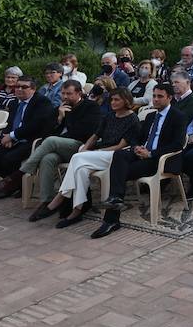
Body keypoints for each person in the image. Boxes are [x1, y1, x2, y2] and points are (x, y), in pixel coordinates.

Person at [90, 83, 189, 238]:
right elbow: (137, 137)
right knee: (119, 155)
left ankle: (111, 219)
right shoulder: (150, 116)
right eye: (154, 96)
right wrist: (136, 147)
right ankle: (115, 202)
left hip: (159, 160)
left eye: (160, 96)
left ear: (169, 98)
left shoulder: (178, 116)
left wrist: (151, 153)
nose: (155, 99)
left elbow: (177, 144)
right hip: (142, 155)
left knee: (118, 172)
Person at [33, 88, 140, 225]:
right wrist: (85, 148)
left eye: (117, 99)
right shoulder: (110, 115)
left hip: (116, 156)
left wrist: (93, 152)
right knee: (81, 169)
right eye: (112, 99)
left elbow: (120, 146)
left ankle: (60, 198)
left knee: (77, 158)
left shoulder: (132, 119)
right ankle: (77, 210)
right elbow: (95, 135)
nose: (113, 102)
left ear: (126, 101)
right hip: (100, 153)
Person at [17, 79, 102, 208]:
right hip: (58, 147)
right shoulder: (60, 108)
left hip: (82, 147)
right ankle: (46, 200)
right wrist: (59, 118)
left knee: (52, 140)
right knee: (47, 159)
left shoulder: (91, 107)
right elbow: (45, 133)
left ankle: (23, 171)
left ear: (79, 93)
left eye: (69, 94)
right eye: (63, 93)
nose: (65, 97)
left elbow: (84, 133)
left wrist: (70, 115)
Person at [0, 76, 58, 199]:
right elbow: (9, 123)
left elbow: (35, 125)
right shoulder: (14, 103)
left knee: (8, 159)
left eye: (24, 87)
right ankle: (16, 185)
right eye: (17, 86)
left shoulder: (42, 102)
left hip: (32, 140)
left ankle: (12, 186)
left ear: (33, 89)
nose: (19, 89)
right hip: (15, 138)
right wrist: (4, 137)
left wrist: (12, 136)